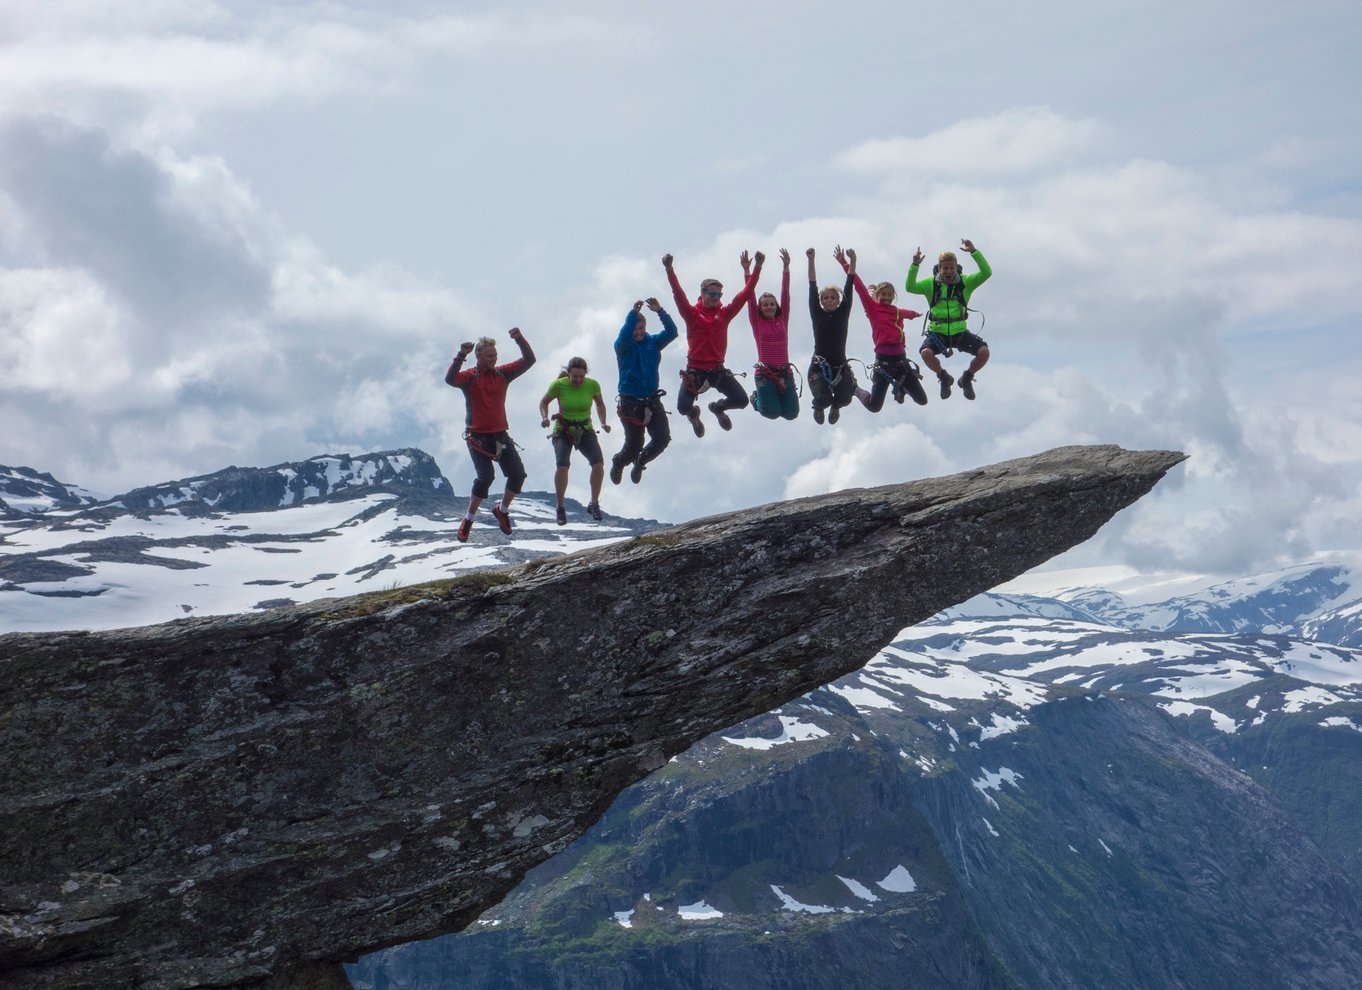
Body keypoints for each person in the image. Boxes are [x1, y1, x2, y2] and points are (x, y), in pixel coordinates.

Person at [445, 328, 536, 541]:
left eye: (495, 355)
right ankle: (468, 519)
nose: (494, 359)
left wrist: (519, 339)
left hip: (500, 436)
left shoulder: (503, 374)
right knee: (485, 477)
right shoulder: (469, 377)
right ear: (478, 356)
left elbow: (529, 360)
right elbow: (450, 379)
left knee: (518, 475)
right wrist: (460, 356)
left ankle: (502, 510)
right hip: (477, 438)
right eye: (489, 356)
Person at [663, 249, 764, 437]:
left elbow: (745, 294)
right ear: (702, 293)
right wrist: (669, 269)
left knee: (741, 400)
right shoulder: (691, 313)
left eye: (719, 295)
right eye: (712, 294)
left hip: (717, 370)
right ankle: (694, 415)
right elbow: (678, 294)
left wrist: (757, 267)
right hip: (695, 370)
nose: (716, 298)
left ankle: (717, 408)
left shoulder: (724, 313)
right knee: (683, 407)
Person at [840, 248, 926, 412]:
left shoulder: (897, 311)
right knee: (874, 407)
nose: (886, 298)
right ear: (878, 295)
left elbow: (907, 313)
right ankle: (855, 389)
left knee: (922, 400)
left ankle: (901, 388)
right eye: (883, 295)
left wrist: (915, 314)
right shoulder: (872, 308)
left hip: (901, 363)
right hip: (883, 364)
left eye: (889, 295)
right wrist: (847, 262)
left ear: (893, 296)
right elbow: (857, 285)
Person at [905, 239, 992, 400]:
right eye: (945, 268)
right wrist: (915, 266)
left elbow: (987, 273)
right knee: (925, 353)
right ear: (939, 269)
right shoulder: (931, 284)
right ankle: (944, 377)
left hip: (960, 332)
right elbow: (910, 287)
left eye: (951, 268)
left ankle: (966, 379)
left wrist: (974, 252)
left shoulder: (966, 282)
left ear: (956, 269)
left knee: (984, 352)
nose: (948, 271)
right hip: (937, 333)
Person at [611, 297, 677, 485]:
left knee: (662, 439)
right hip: (630, 403)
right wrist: (632, 314)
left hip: (652, 401)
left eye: (642, 329)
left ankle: (640, 462)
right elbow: (624, 336)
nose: (639, 332)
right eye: (635, 330)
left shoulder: (653, 343)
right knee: (633, 446)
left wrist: (660, 311)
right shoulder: (623, 346)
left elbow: (672, 332)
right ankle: (619, 462)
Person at [539, 357, 612, 524]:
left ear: (586, 374)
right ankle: (560, 507)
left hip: (585, 429)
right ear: (569, 374)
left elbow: (600, 404)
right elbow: (543, 402)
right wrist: (544, 418)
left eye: (581, 376)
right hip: (563, 430)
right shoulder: (558, 385)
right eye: (575, 377)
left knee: (598, 463)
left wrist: (603, 422)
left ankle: (594, 503)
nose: (578, 380)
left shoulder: (592, 384)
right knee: (563, 465)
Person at [805, 246, 858, 424]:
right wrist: (811, 260)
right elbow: (812, 286)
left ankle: (836, 407)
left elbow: (849, 286)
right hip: (818, 367)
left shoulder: (843, 312)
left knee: (845, 398)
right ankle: (819, 407)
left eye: (832, 297)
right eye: (825, 298)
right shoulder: (817, 312)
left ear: (838, 300)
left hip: (840, 367)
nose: (829, 300)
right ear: (821, 302)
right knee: (823, 399)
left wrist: (853, 262)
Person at [744, 248, 798, 421]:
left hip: (785, 373)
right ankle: (756, 399)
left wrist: (786, 267)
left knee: (791, 414)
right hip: (765, 374)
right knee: (772, 413)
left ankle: (772, 399)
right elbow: (749, 296)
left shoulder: (783, 319)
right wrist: (747, 270)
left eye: (771, 304)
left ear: (776, 306)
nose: (768, 307)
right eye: (765, 304)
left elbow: (786, 294)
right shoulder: (757, 322)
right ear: (760, 308)